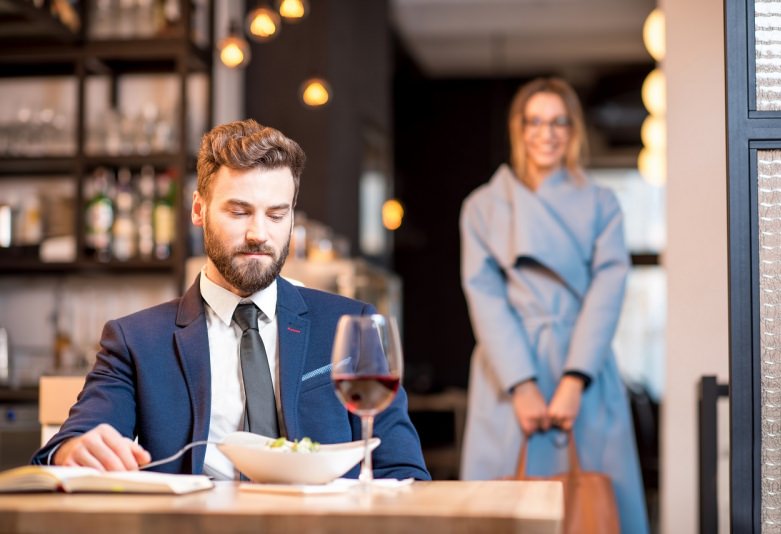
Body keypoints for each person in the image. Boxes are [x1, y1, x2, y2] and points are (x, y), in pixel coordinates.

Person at [32, 119, 430, 482]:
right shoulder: (135, 340)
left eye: (277, 215)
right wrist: (73, 449)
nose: (259, 233)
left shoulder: (349, 324)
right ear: (198, 210)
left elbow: (405, 472)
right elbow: (69, 445)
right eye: (239, 211)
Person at [458, 78, 648, 533]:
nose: (547, 133)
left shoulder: (603, 203)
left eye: (559, 121)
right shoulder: (483, 206)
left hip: (584, 365)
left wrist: (574, 379)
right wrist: (522, 385)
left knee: (595, 506)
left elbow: (608, 289)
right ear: (518, 129)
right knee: (502, 506)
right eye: (536, 121)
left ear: (574, 129)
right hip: (508, 369)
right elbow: (483, 294)